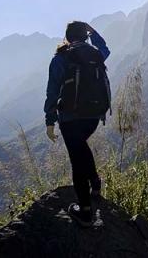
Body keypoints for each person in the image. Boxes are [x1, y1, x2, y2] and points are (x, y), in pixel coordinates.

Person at [44, 20, 111, 227]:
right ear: (85, 35)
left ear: (67, 37)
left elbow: (52, 92)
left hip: (70, 118)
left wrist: (50, 121)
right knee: (81, 147)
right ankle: (96, 185)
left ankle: (85, 211)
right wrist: (93, 31)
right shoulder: (96, 55)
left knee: (76, 158)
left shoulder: (61, 59)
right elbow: (105, 48)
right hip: (93, 116)